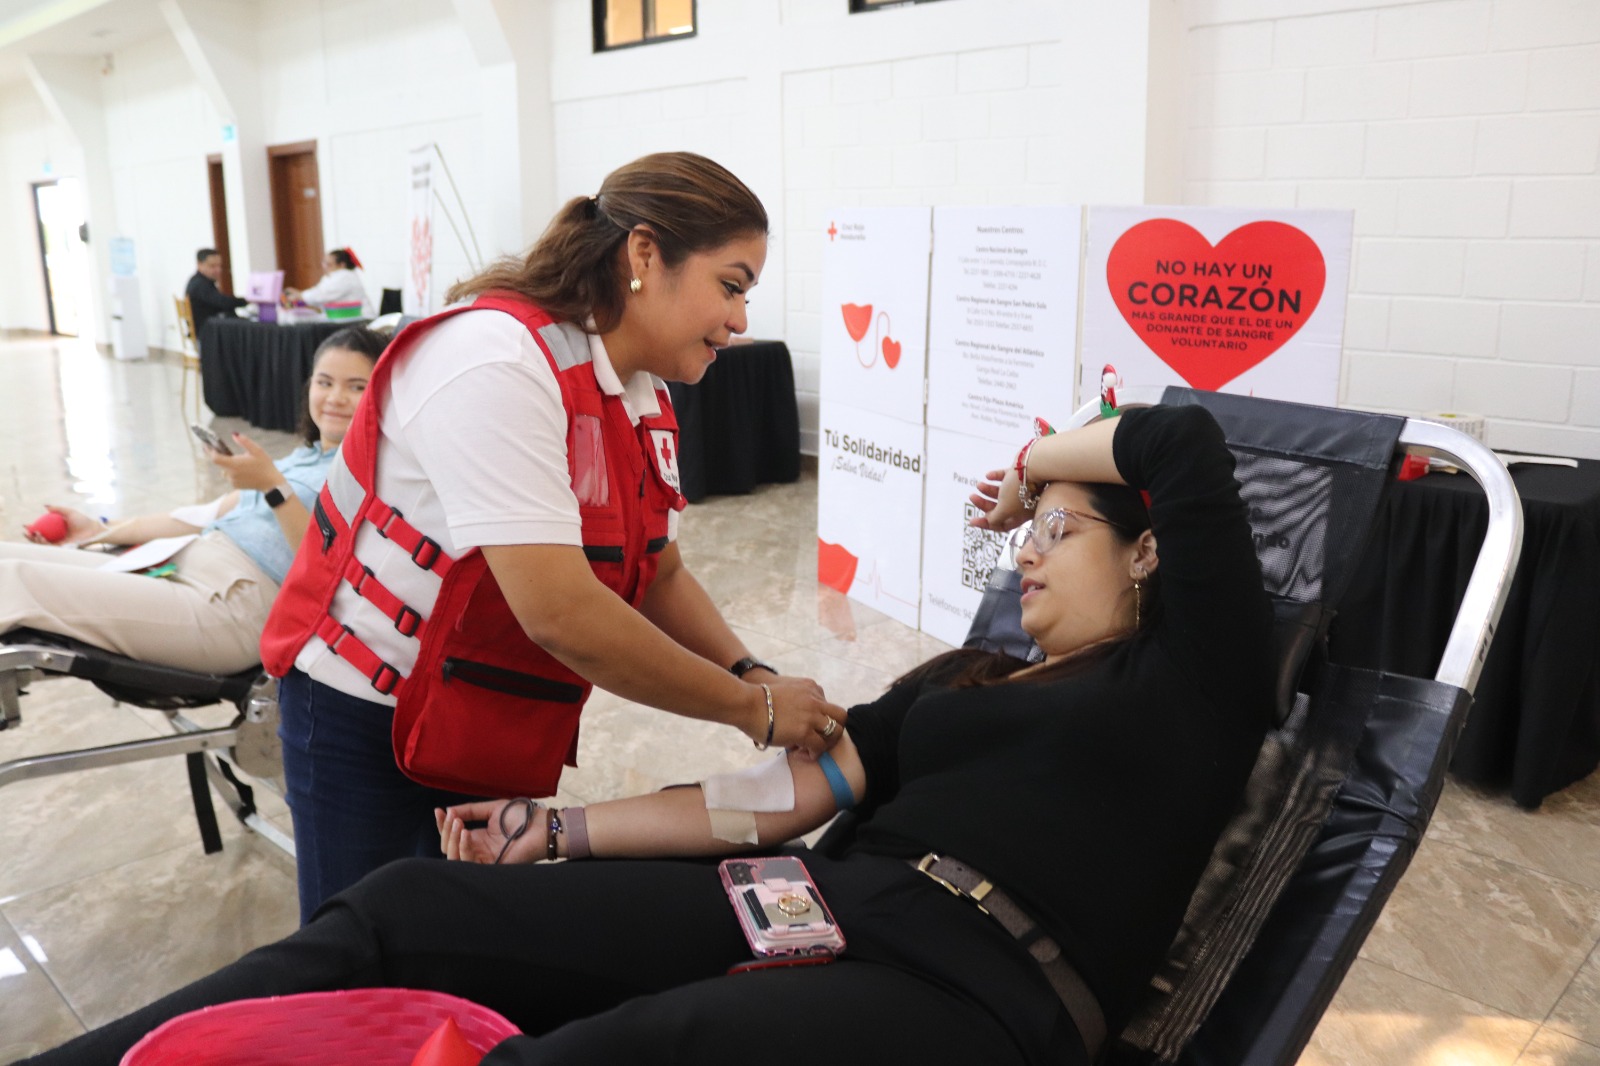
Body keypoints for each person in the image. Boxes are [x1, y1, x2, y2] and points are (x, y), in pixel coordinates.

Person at [23, 402, 1276, 1066]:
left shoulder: (1196, 683)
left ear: (1152, 550)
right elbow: (782, 795)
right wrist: (558, 829)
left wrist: (1026, 469)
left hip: (983, 982)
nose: (1029, 553)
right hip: (814, 898)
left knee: (601, 1056)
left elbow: (1178, 439)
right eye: (1025, 532)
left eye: (1063, 531)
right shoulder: (969, 676)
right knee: (406, 909)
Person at [259, 151, 847, 924]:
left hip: (481, 712)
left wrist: (751, 668)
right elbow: (562, 614)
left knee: (467, 930)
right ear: (645, 255)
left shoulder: (640, 393)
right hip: (364, 716)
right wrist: (749, 709)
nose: (740, 321)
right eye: (730, 286)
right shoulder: (496, 362)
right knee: (365, 949)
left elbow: (659, 572)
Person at [0, 328, 383, 674]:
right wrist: (100, 529)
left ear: (381, 394)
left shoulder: (368, 478)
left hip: (234, 608)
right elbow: (199, 516)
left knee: (14, 583)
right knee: (8, 558)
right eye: (324, 382)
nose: (335, 398)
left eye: (356, 386)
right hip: (181, 563)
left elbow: (325, 573)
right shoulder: (301, 459)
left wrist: (274, 487)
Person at [283, 247, 373, 316]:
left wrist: (300, 295)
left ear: (342, 265)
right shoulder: (332, 277)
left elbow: (322, 295)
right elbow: (318, 292)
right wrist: (300, 296)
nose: (324, 266)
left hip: (360, 319)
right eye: (324, 263)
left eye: (328, 264)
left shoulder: (345, 276)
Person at [184, 247, 249, 337]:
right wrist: (246, 300)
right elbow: (222, 302)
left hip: (208, 329)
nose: (218, 270)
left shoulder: (198, 281)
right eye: (212, 266)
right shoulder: (200, 285)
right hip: (207, 334)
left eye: (219, 266)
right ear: (200, 265)